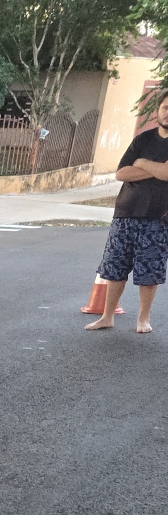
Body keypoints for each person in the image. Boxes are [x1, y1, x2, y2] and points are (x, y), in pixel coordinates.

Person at [85, 91, 168, 334]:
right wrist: (154, 169)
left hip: (158, 217)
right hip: (125, 213)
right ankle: (107, 316)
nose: (167, 112)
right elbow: (121, 173)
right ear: (157, 111)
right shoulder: (142, 140)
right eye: (164, 107)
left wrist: (141, 164)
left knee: (149, 271)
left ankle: (143, 319)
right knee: (115, 266)